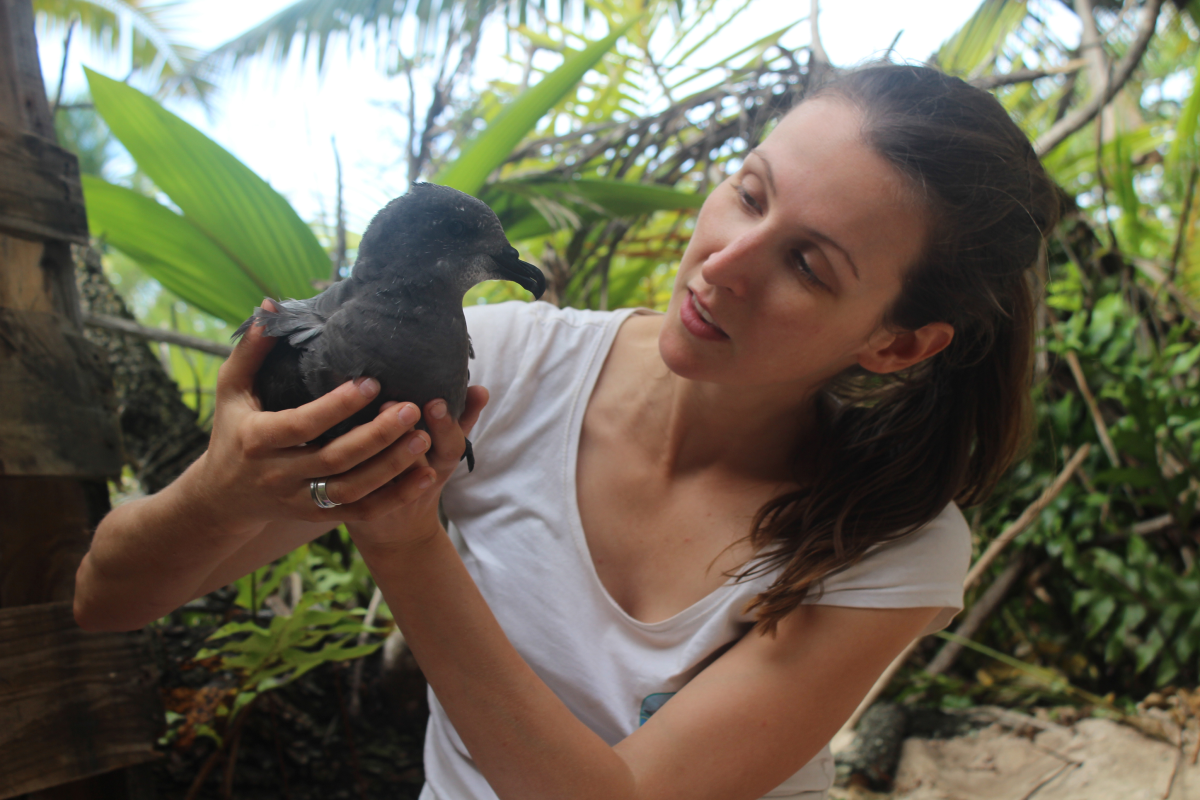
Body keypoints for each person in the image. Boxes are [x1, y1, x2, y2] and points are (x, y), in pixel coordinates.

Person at [74, 63, 1060, 800]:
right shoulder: (493, 367)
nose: (725, 263)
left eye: (809, 264)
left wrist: (403, 534)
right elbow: (111, 594)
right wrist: (229, 482)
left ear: (897, 344)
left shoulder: (894, 542)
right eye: (749, 193)